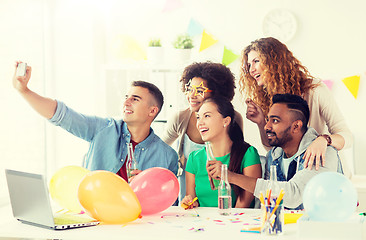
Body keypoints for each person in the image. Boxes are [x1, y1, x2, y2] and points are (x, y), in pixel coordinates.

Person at [12, 62, 178, 181]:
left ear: (152, 110)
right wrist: (24, 91)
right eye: (126, 97)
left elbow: (169, 207)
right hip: (95, 221)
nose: (126, 102)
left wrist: (146, 187)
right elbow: (62, 115)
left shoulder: (167, 156)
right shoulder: (103, 128)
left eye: (135, 99)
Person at [208, 94, 343, 209]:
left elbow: (293, 195)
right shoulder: (274, 156)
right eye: (268, 120)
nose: (267, 126)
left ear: (296, 126)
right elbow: (268, 199)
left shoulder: (322, 153)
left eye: (275, 121)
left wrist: (230, 176)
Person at [239, 37, 352, 175]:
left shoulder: (315, 90)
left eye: (256, 61)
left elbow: (347, 136)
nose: (252, 69)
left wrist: (323, 140)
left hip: (323, 171)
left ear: (275, 61)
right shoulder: (268, 99)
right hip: (292, 175)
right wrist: (260, 121)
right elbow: (273, 148)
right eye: (249, 64)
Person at [161, 62, 244, 202]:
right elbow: (159, 150)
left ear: (217, 93)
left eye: (199, 91)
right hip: (189, 193)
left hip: (224, 193)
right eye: (189, 89)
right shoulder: (180, 118)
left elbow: (239, 156)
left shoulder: (232, 118)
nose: (192, 96)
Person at [181, 98, 262, 208]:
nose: (199, 123)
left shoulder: (248, 154)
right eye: (198, 117)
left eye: (207, 116)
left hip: (236, 223)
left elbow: (242, 207)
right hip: (202, 223)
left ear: (226, 121)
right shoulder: (194, 158)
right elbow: (191, 199)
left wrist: (225, 174)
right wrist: (190, 203)